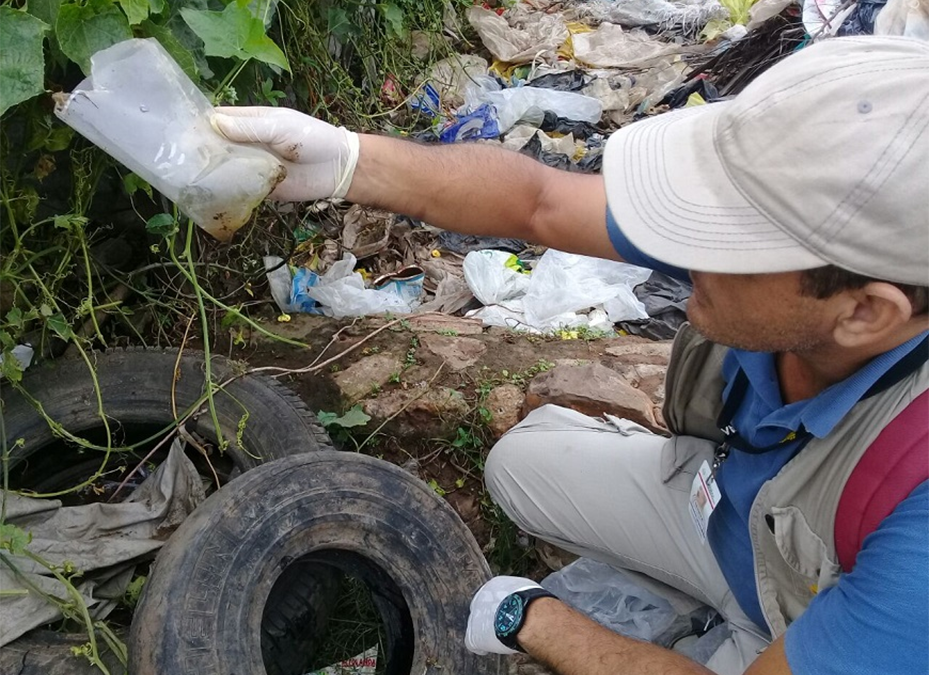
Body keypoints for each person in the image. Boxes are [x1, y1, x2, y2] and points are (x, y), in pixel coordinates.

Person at [212, 35, 929, 675]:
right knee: (516, 466)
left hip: (799, 615)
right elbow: (540, 202)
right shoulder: (809, 266)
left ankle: (742, 638)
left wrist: (534, 620)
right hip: (722, 516)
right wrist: (348, 162)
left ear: (866, 312)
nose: (684, 250)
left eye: (724, 241)